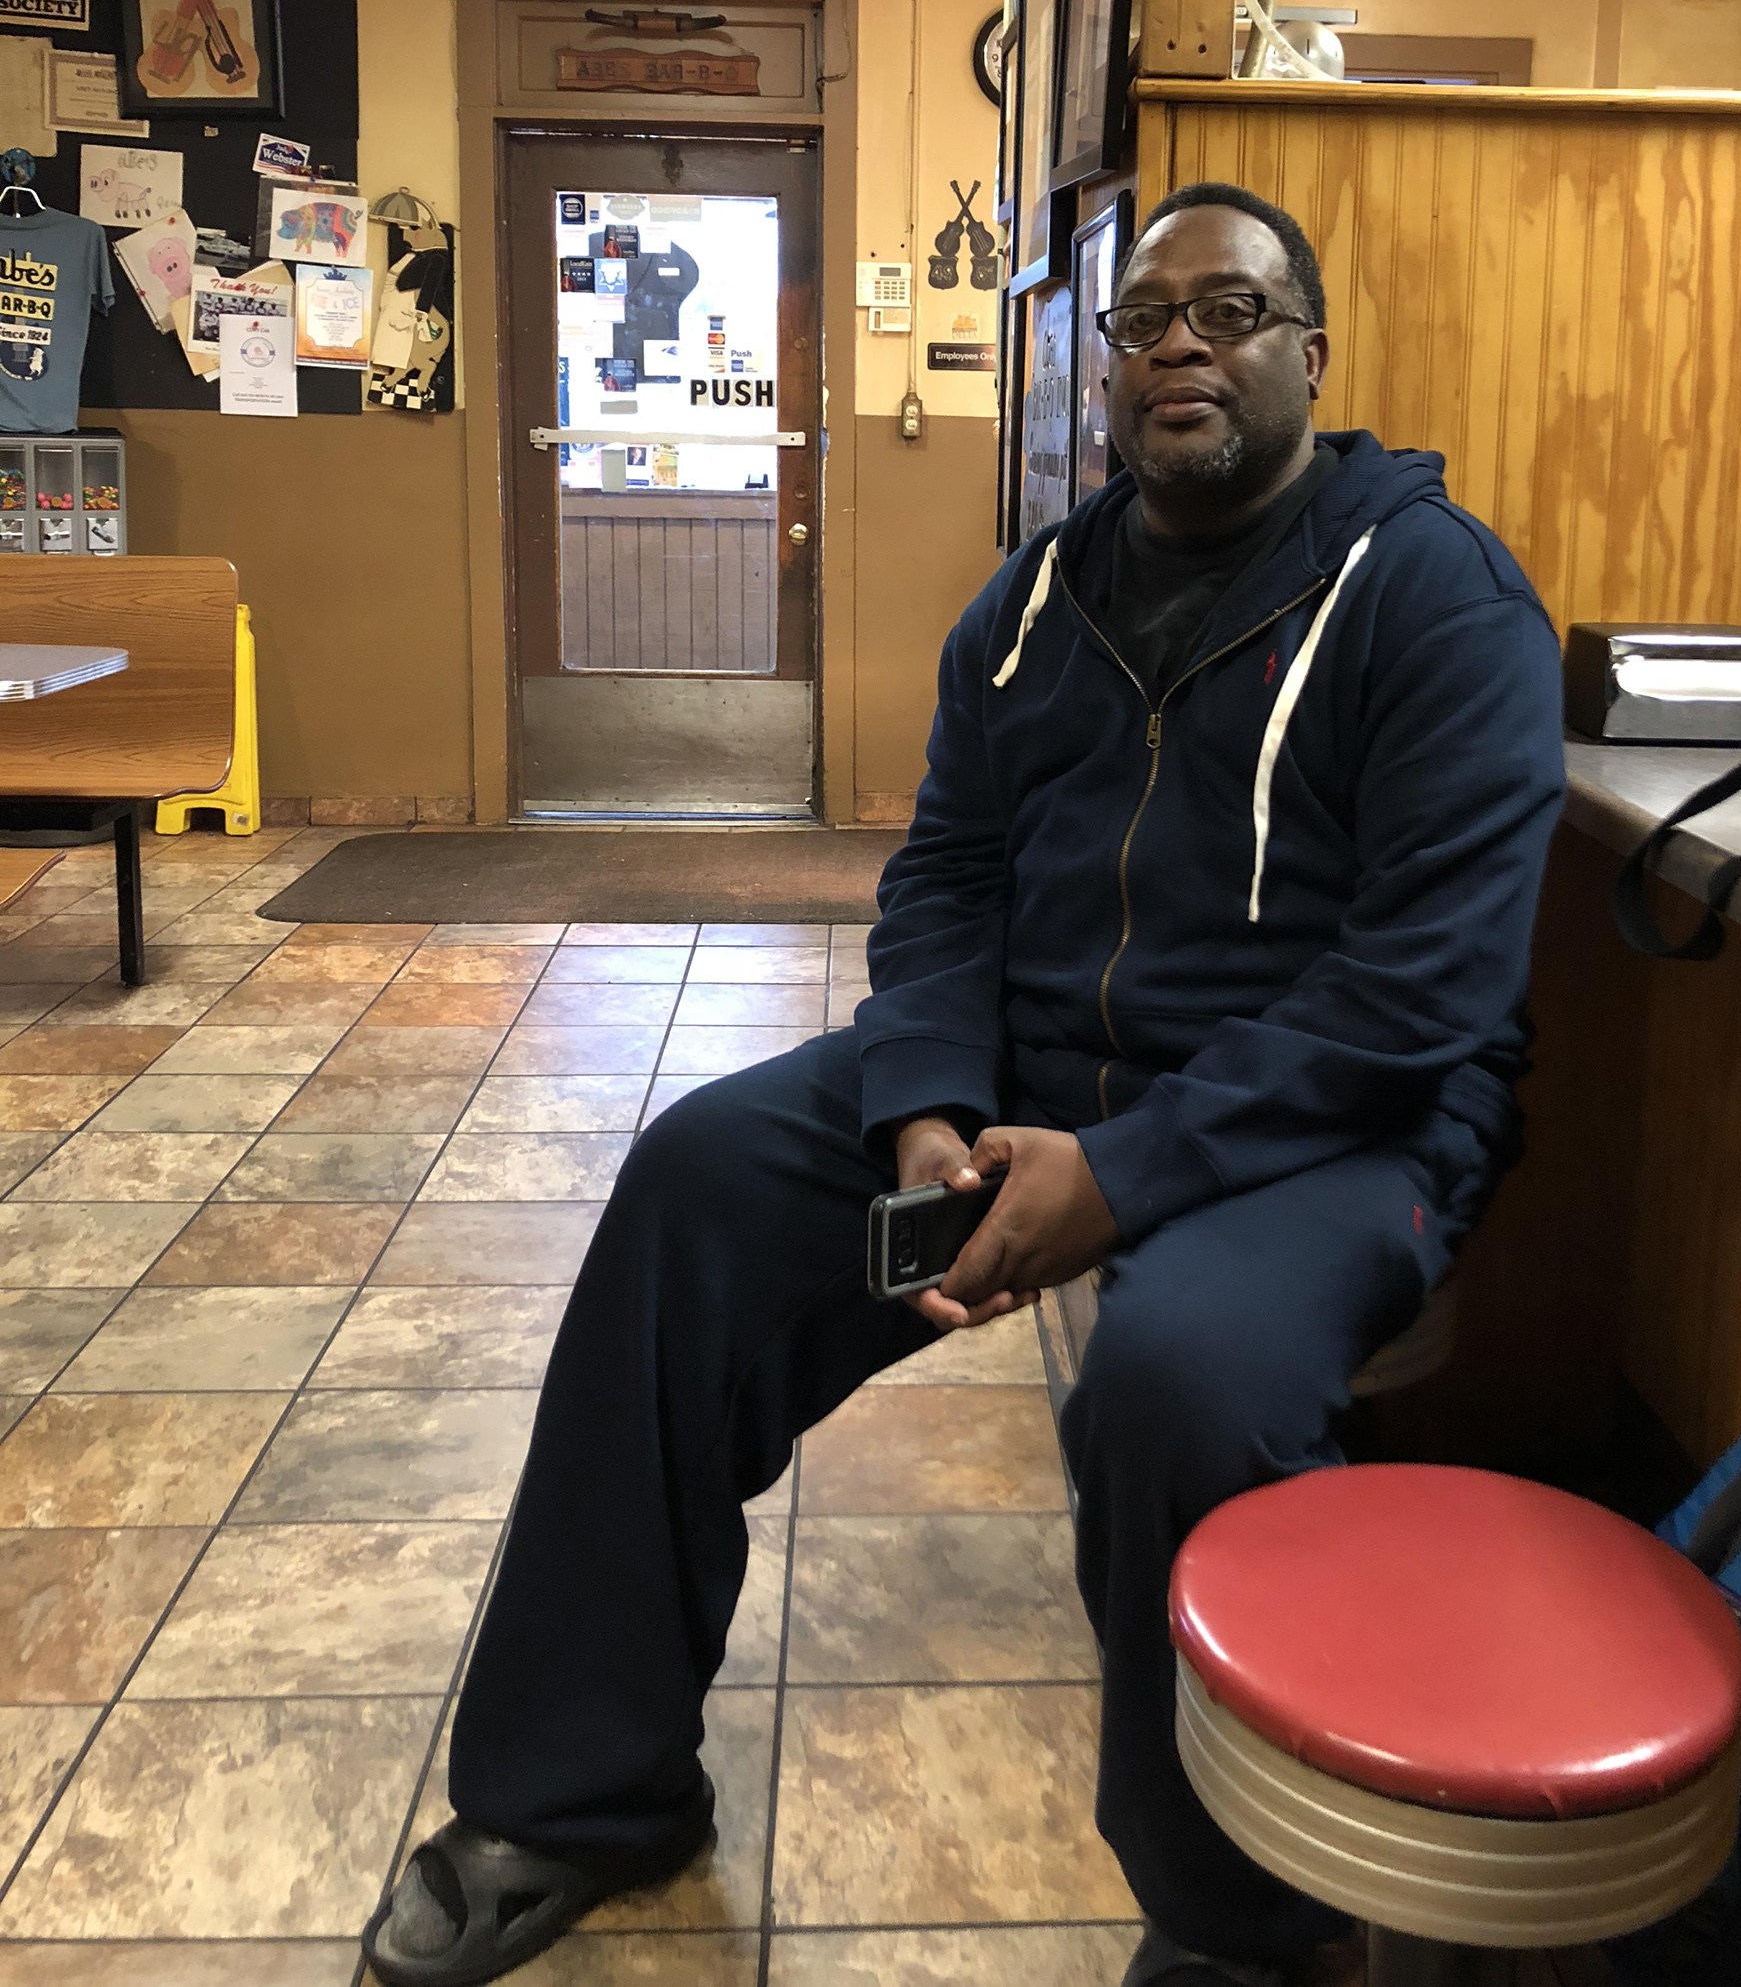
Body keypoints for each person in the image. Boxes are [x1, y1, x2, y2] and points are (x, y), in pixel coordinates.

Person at [363, 181, 1566, 1987]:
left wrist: (1129, 1169)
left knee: (1179, 1381)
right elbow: (942, 879)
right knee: (695, 1187)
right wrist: (921, 1096)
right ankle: (583, 1790)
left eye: (1229, 313)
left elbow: (1423, 990)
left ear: (1311, 354)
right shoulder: (1036, 602)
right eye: (1144, 319)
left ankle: (1234, 1928)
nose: (1179, 344)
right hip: (1024, 1069)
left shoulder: (1442, 601)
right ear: (1105, 371)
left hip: (1333, 1117)